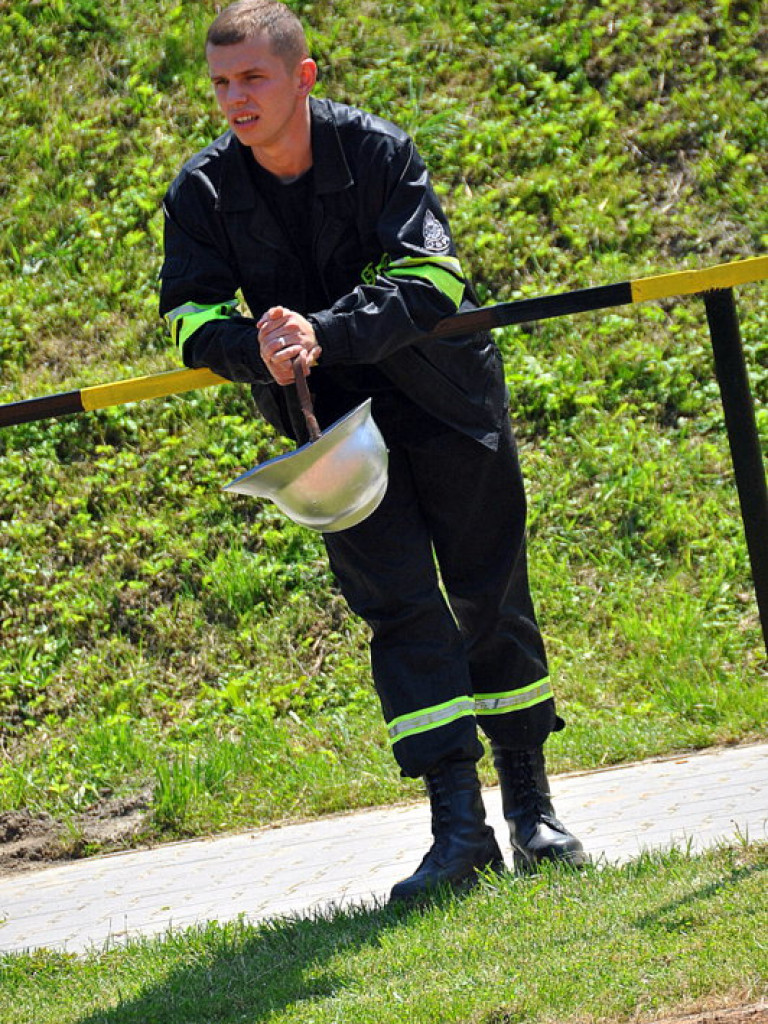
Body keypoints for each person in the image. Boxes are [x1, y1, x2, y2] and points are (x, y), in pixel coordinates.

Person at [159, 0, 585, 901]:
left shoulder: (380, 150)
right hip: (333, 435)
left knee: (488, 591)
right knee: (400, 612)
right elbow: (190, 319)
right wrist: (254, 349)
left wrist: (320, 331)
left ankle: (532, 810)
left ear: (303, 77)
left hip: (446, 400)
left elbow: (431, 279)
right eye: (221, 83)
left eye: (253, 79)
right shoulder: (200, 190)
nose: (234, 99)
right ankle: (458, 834)